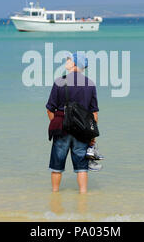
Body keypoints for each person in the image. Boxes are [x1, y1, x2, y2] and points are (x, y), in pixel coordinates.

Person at [46, 52, 101, 193]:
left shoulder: (60, 82)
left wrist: (58, 122)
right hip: (82, 130)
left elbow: (49, 109)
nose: (66, 61)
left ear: (75, 64)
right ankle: (83, 196)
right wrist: (92, 136)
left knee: (56, 167)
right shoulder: (90, 84)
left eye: (69, 59)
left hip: (61, 128)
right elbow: (94, 112)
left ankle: (55, 195)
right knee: (82, 167)